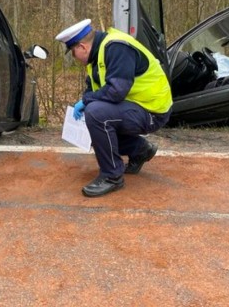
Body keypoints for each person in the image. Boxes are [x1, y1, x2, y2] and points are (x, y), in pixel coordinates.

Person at [55, 19, 173, 197]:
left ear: (82, 47)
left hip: (152, 111)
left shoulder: (116, 48)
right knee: (93, 122)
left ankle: (112, 176)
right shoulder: (96, 57)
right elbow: (94, 89)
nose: (74, 57)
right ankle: (140, 150)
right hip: (135, 107)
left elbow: (116, 91)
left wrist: (86, 101)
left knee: (96, 114)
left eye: (73, 52)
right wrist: (85, 101)